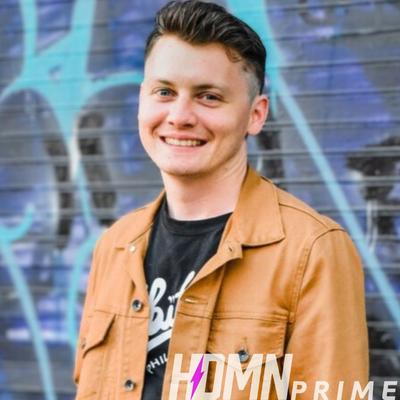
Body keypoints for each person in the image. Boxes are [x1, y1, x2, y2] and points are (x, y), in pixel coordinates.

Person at [73, 1, 369, 399]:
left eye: (209, 97)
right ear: (143, 100)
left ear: (256, 115)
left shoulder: (312, 252)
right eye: (164, 92)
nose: (179, 116)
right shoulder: (114, 246)